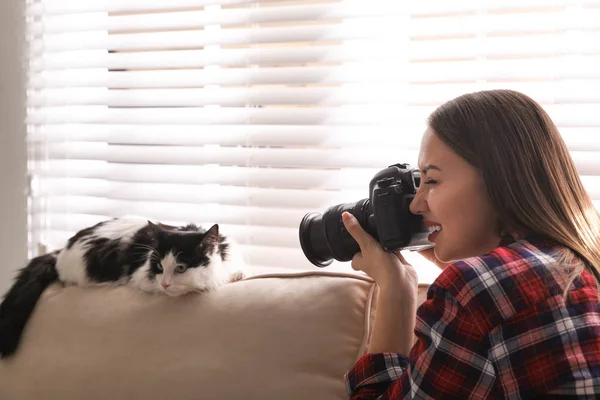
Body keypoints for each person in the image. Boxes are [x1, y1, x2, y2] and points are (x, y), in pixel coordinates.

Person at [342, 89, 600, 399]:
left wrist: (397, 291)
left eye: (432, 180)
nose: (416, 205)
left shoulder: (474, 290)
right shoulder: (580, 264)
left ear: (499, 179)